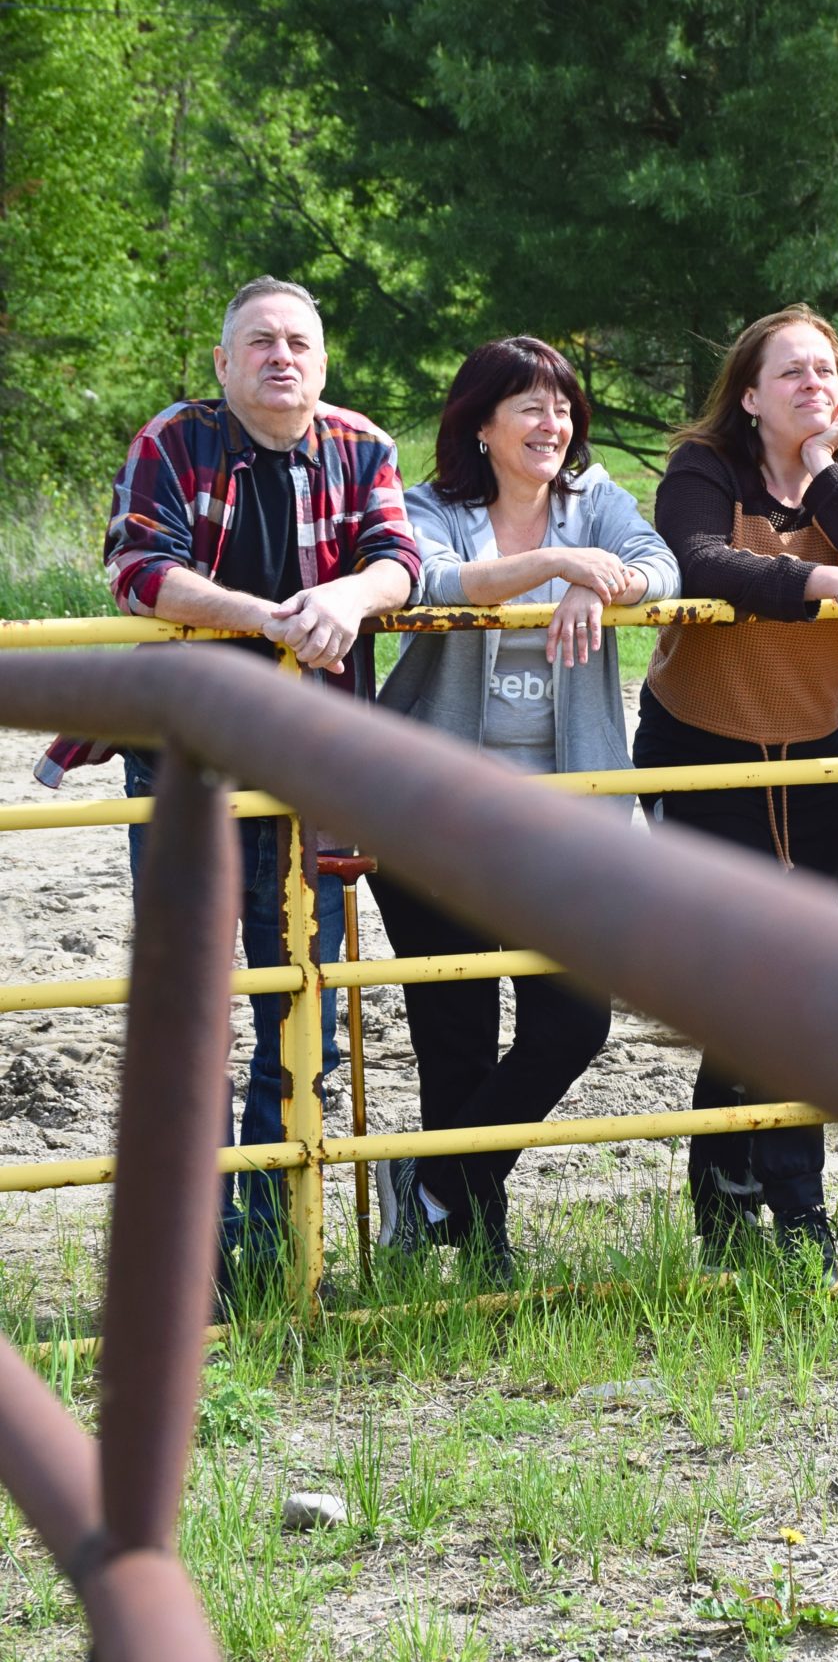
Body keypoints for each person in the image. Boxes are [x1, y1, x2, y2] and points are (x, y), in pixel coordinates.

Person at [36, 275, 421, 1296]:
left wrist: (345, 594)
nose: (280, 356)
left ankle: (273, 1251)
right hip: (189, 755)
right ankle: (193, 1260)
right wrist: (262, 617)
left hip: (313, 762)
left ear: (323, 361)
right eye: (259, 341)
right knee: (193, 1007)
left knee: (298, 1003)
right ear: (222, 364)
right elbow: (137, 570)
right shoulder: (173, 442)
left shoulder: (362, 447)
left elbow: (399, 558)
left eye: (298, 340)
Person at [371, 335, 681, 1283]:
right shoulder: (431, 508)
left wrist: (604, 576)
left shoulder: (599, 503)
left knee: (571, 1024)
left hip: (566, 819)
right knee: (454, 1033)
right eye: (531, 408)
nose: (554, 425)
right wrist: (560, 565)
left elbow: (662, 569)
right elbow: (427, 580)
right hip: (432, 815)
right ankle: (478, 1235)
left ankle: (432, 1188)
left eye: (562, 407)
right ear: (482, 425)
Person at [631, 304, 838, 1282]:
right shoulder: (705, 468)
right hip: (698, 747)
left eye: (826, 370)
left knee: (792, 980)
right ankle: (745, 1204)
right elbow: (699, 560)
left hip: (809, 749)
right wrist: (824, 588)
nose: (812, 385)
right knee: (743, 979)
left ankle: (776, 1206)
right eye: (789, 373)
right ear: (749, 395)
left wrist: (828, 472)